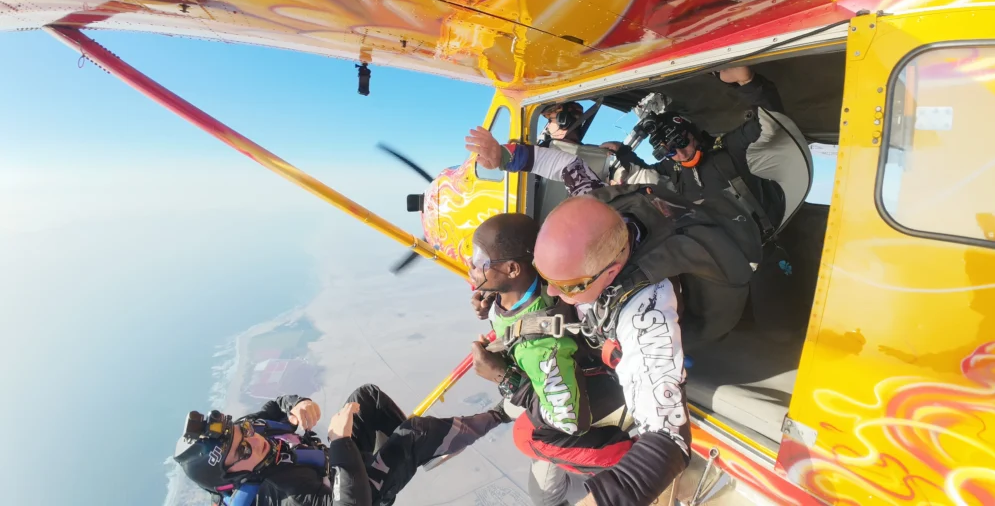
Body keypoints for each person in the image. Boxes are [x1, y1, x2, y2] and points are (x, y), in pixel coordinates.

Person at [465, 132, 763, 506]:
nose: (553, 294)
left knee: (533, 435)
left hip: (699, 322)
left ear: (609, 274)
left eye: (568, 286)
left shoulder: (645, 311)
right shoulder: (594, 208)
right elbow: (568, 166)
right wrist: (508, 157)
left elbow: (668, 438)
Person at [467, 213, 635, 505]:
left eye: (480, 261)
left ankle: (634, 461)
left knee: (530, 444)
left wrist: (504, 378)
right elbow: (509, 301)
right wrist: (491, 302)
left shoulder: (540, 347)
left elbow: (569, 423)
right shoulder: (541, 278)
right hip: (565, 372)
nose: (472, 267)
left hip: (591, 394)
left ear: (511, 268)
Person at [173, 385, 507, 506]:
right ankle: (501, 413)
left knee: (367, 398)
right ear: (234, 480)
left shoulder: (252, 431)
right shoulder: (278, 494)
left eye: (242, 432)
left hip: (340, 464)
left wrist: (297, 403)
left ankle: (424, 450)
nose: (253, 440)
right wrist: (340, 442)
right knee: (414, 433)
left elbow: (275, 407)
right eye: (242, 452)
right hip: (358, 495)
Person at [607, 66, 802, 238]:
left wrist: (747, 81)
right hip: (718, 248)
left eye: (681, 142)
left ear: (693, 134)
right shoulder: (672, 165)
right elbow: (644, 173)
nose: (680, 154)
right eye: (668, 151)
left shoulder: (730, 147)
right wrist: (622, 152)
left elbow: (771, 123)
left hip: (762, 239)